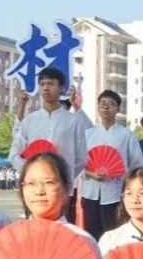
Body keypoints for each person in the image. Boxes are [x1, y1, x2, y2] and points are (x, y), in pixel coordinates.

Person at [10, 67, 90, 202]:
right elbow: (14, 152)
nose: (46, 88)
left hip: (61, 189)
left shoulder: (74, 122)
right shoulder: (30, 120)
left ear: (61, 88)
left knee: (61, 216)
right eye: (42, 84)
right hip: (34, 189)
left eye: (51, 84)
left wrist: (64, 176)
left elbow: (81, 159)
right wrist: (30, 171)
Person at [80, 90, 143, 240]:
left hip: (115, 194)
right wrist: (91, 174)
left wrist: (122, 177)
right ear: (98, 107)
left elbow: (138, 166)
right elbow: (78, 165)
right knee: (92, 235)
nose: (106, 107)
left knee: (114, 236)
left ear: (118, 109)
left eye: (111, 104)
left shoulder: (126, 135)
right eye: (103, 104)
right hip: (90, 194)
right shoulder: (88, 135)